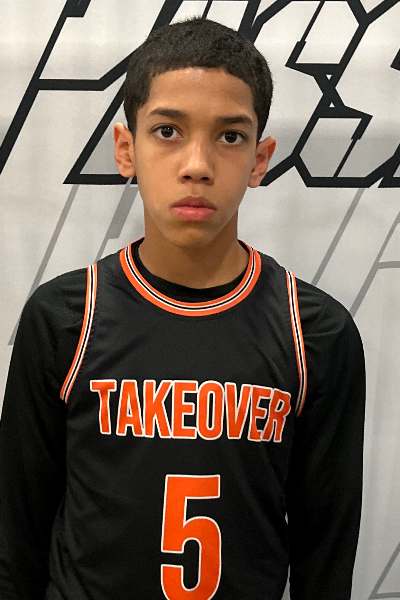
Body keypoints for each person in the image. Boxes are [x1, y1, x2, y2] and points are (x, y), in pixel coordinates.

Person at [0, 16, 365, 600]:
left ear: (260, 159)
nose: (197, 163)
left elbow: (326, 560)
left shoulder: (316, 334)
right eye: (168, 131)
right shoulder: (65, 319)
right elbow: (15, 540)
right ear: (127, 149)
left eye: (230, 136)